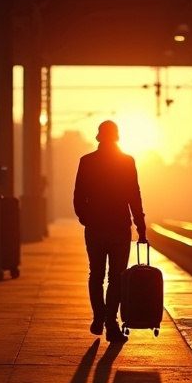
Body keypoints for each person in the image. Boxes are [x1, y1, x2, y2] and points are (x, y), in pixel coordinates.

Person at [73, 120, 147, 343]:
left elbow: (78, 194)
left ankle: (99, 317)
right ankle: (110, 322)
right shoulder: (126, 161)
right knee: (116, 277)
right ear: (116, 137)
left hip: (95, 227)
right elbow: (135, 195)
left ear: (99, 137)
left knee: (95, 275)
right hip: (119, 227)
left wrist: (85, 218)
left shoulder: (87, 161)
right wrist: (140, 226)